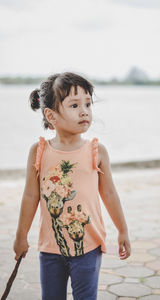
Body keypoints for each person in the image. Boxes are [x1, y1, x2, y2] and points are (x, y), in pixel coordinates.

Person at [13, 72, 131, 300]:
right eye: (75, 105)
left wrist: (123, 229)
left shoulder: (97, 151)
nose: (85, 110)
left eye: (88, 103)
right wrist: (21, 236)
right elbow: (30, 196)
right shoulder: (39, 152)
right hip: (50, 248)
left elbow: (109, 193)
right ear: (51, 115)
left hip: (87, 246)